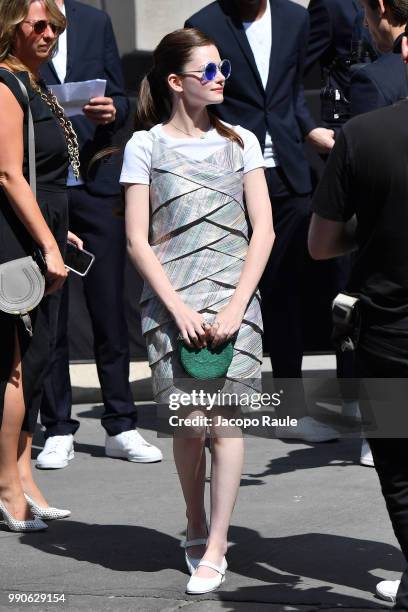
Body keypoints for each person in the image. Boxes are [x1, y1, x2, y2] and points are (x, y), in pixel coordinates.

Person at [121, 28, 274, 594]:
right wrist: (179, 307)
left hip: (238, 305)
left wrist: (237, 304)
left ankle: (217, 546)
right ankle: (194, 519)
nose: (219, 80)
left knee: (226, 424)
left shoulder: (244, 142)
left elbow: (265, 231)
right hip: (171, 307)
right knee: (189, 429)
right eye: (207, 71)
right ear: (175, 82)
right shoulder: (145, 146)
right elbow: (139, 239)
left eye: (223, 70)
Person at [184, 0, 340, 443]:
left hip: (289, 173)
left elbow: (290, 92)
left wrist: (307, 128)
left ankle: (290, 408)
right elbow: (199, 99)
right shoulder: (205, 23)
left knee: (287, 289)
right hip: (229, 171)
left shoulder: (295, 18)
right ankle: (215, 403)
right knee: (224, 285)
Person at [35, 0, 162, 469]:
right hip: (42, 185)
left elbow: (124, 97)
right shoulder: (17, 19)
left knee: (109, 308)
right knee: (51, 310)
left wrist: (114, 109)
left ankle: (121, 423)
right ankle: (58, 426)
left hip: (95, 180)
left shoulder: (95, 20)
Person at [309, 31, 408, 611]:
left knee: (398, 471)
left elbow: (321, 245)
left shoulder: (362, 134)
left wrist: (367, 234)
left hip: (388, 338)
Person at [0, 0, 80, 530]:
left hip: (42, 229)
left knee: (40, 358)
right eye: (39, 24)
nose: (49, 32)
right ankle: (7, 486)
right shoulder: (6, 84)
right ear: (12, 26)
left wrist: (58, 231)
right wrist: (48, 244)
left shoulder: (34, 82)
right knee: (16, 364)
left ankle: (25, 477)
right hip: (15, 240)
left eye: (56, 25)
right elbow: (8, 173)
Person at [306, 0, 376, 128]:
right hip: (346, 124)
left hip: (393, 117)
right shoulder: (330, 4)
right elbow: (294, 68)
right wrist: (308, 128)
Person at [350, 0, 408, 118]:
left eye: (365, 8)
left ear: (382, 6)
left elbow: (365, 136)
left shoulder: (372, 80)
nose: (365, 23)